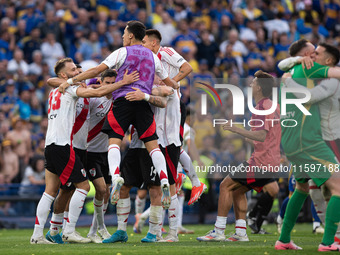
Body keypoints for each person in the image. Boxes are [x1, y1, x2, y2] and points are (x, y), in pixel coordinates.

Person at [58, 21, 178, 209]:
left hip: (122, 102)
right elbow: (170, 82)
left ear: (131, 36)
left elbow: (97, 70)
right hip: (143, 103)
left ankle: (115, 178)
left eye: (124, 33)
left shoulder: (122, 52)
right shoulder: (153, 57)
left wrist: (72, 80)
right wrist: (174, 86)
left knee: (114, 141)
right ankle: (164, 179)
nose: (122, 36)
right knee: (153, 146)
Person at [30, 57, 139, 244]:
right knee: (83, 187)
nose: (79, 74)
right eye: (74, 71)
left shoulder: (55, 91)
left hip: (52, 144)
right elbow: (96, 93)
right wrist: (123, 82)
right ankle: (69, 230)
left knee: (52, 191)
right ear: (64, 75)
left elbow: (55, 82)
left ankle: (40, 234)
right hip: (65, 145)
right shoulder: (72, 89)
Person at [197, 71, 281, 242]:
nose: (250, 85)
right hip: (270, 160)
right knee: (237, 191)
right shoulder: (273, 105)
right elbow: (269, 136)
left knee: (224, 186)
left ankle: (218, 231)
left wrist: (236, 129)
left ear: (258, 88)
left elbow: (261, 136)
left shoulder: (261, 107)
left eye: (253, 83)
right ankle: (241, 233)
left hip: (260, 161)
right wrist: (249, 136)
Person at [274, 42, 340, 251]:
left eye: (317, 51)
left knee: (302, 188)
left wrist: (288, 77)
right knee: (338, 187)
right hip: (308, 141)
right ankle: (329, 242)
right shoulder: (312, 68)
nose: (314, 53)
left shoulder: (291, 69)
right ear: (305, 55)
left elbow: (282, 64)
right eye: (312, 51)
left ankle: (283, 239)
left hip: (292, 140)